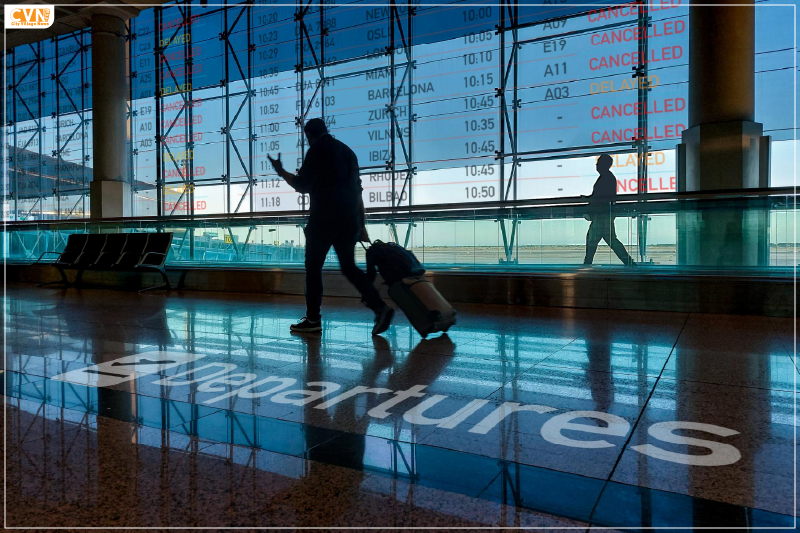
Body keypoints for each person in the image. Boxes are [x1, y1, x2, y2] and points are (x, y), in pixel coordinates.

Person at [267, 118, 394, 334]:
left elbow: (302, 185)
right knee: (349, 267)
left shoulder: (317, 150)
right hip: (349, 221)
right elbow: (358, 192)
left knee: (313, 268)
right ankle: (379, 307)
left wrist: (281, 171)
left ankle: (313, 319)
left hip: (323, 221)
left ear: (308, 135)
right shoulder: (348, 152)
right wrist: (361, 225)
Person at [582, 154, 635, 266]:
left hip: (602, 215)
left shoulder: (606, 178)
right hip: (604, 214)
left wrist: (589, 204)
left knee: (593, 240)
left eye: (598, 163)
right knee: (609, 240)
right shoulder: (608, 177)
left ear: (604, 164)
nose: (596, 165)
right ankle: (629, 263)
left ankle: (587, 264)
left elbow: (599, 197)